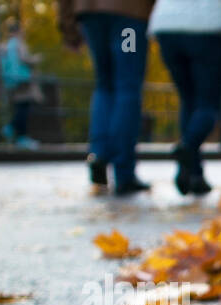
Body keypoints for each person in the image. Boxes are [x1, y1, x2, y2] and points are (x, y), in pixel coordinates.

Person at [149, 0, 221, 196]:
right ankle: (187, 147)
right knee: (207, 105)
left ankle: (192, 174)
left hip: (167, 29)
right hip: (206, 31)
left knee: (189, 101)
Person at [58, 0, 156, 196]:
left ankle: (99, 154)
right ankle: (123, 170)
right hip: (129, 15)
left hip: (90, 13)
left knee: (104, 84)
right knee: (127, 86)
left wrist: (68, 26)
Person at [1, 21, 42, 149]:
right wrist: (35, 59)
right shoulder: (18, 44)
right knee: (24, 107)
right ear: (18, 31)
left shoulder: (6, 45)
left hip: (12, 80)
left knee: (20, 106)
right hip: (23, 79)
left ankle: (19, 137)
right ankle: (15, 131)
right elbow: (24, 59)